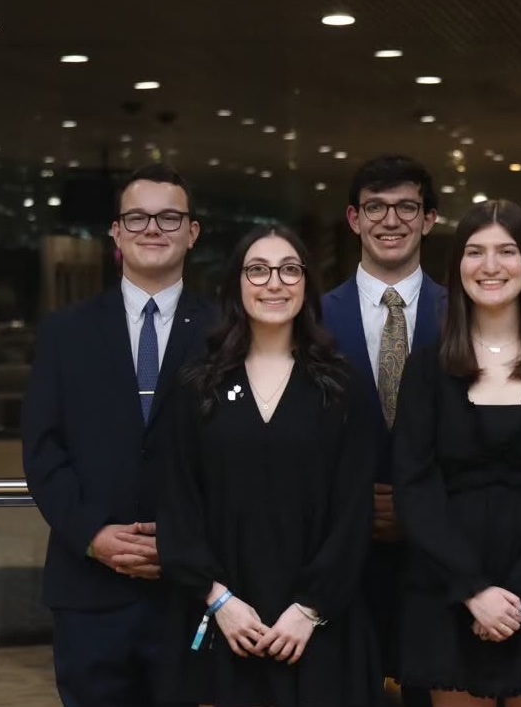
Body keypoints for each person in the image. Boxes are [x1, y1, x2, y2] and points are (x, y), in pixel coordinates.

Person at [157, 226, 380, 706]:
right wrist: (219, 600)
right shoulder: (198, 384)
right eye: (257, 270)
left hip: (321, 627)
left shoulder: (342, 387)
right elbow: (177, 501)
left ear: (307, 284)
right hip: (224, 622)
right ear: (236, 284)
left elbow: (354, 513)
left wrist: (310, 608)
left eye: (289, 270)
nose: (274, 283)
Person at [393, 200, 521, 705]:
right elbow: (415, 486)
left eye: (506, 251)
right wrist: (473, 590)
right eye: (475, 252)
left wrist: (519, 593)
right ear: (457, 267)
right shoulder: (427, 369)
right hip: (449, 588)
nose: (490, 266)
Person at [21, 163, 213, 706]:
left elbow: (241, 457)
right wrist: (92, 535)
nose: (152, 228)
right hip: (88, 590)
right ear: (116, 231)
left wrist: (183, 541)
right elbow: (43, 450)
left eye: (169, 217)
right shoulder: (65, 331)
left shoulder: (227, 331)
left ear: (192, 232)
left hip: (191, 589)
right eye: (137, 217)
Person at [321, 154, 447, 706]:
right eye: (375, 207)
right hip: (341, 561)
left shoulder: (465, 314)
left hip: (442, 561)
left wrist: (417, 508)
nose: (390, 220)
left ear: (429, 219)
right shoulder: (310, 319)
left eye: (406, 208)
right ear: (354, 219)